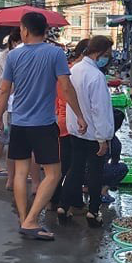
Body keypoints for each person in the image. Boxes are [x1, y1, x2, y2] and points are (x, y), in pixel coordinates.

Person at [0, 12, 86, 241]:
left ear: (24, 30)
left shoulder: (14, 56)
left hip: (19, 123)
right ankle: (31, 220)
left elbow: (4, 90)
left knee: (20, 172)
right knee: (53, 173)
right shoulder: (55, 53)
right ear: (44, 31)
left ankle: (25, 219)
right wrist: (80, 116)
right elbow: (65, 87)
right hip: (43, 124)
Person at [61, 35, 114, 227]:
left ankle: (63, 206)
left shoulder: (75, 70)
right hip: (92, 132)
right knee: (95, 172)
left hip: (75, 129)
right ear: (99, 53)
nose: (107, 58)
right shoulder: (96, 76)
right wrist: (103, 137)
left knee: (75, 169)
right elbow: (99, 109)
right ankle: (93, 211)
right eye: (107, 54)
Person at [51, 39, 88, 221]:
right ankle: (69, 203)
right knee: (73, 166)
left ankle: (57, 200)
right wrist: (81, 117)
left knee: (63, 165)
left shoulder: (68, 69)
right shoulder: (73, 71)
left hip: (59, 119)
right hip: (68, 121)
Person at [0, 29, 21, 177]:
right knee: (4, 135)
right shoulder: (7, 57)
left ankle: (4, 171)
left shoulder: (1, 55)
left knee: (5, 137)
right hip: (6, 98)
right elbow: (5, 83)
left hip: (4, 97)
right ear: (14, 42)